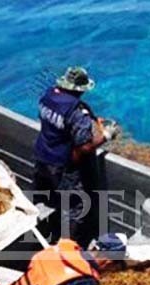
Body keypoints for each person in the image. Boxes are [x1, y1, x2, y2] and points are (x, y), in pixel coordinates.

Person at [33, 66, 120, 245]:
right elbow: (84, 147)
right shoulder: (77, 113)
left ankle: (46, 233)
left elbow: (54, 122)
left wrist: (91, 119)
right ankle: (67, 246)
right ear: (80, 89)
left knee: (48, 198)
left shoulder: (48, 96)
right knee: (75, 208)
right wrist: (106, 135)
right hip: (62, 165)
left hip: (42, 157)